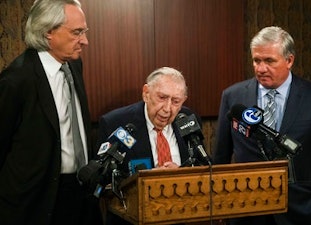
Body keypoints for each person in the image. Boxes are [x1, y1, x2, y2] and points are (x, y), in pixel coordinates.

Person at [212, 26, 311, 225]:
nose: (261, 68)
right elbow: (221, 156)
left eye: (269, 61)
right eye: (256, 60)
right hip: (246, 211)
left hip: (301, 211)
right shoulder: (233, 96)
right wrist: (219, 203)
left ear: (289, 60)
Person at [0, 0, 100, 225]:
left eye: (84, 32)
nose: (85, 41)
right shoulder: (16, 81)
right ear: (48, 33)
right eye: (77, 33)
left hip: (80, 194)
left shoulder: (74, 65)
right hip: (36, 202)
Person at [97, 67, 207, 224]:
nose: (168, 108)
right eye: (162, 98)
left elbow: (202, 165)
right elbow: (103, 181)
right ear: (146, 93)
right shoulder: (116, 123)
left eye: (176, 101)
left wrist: (183, 174)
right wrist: (146, 180)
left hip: (182, 216)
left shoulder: (188, 119)